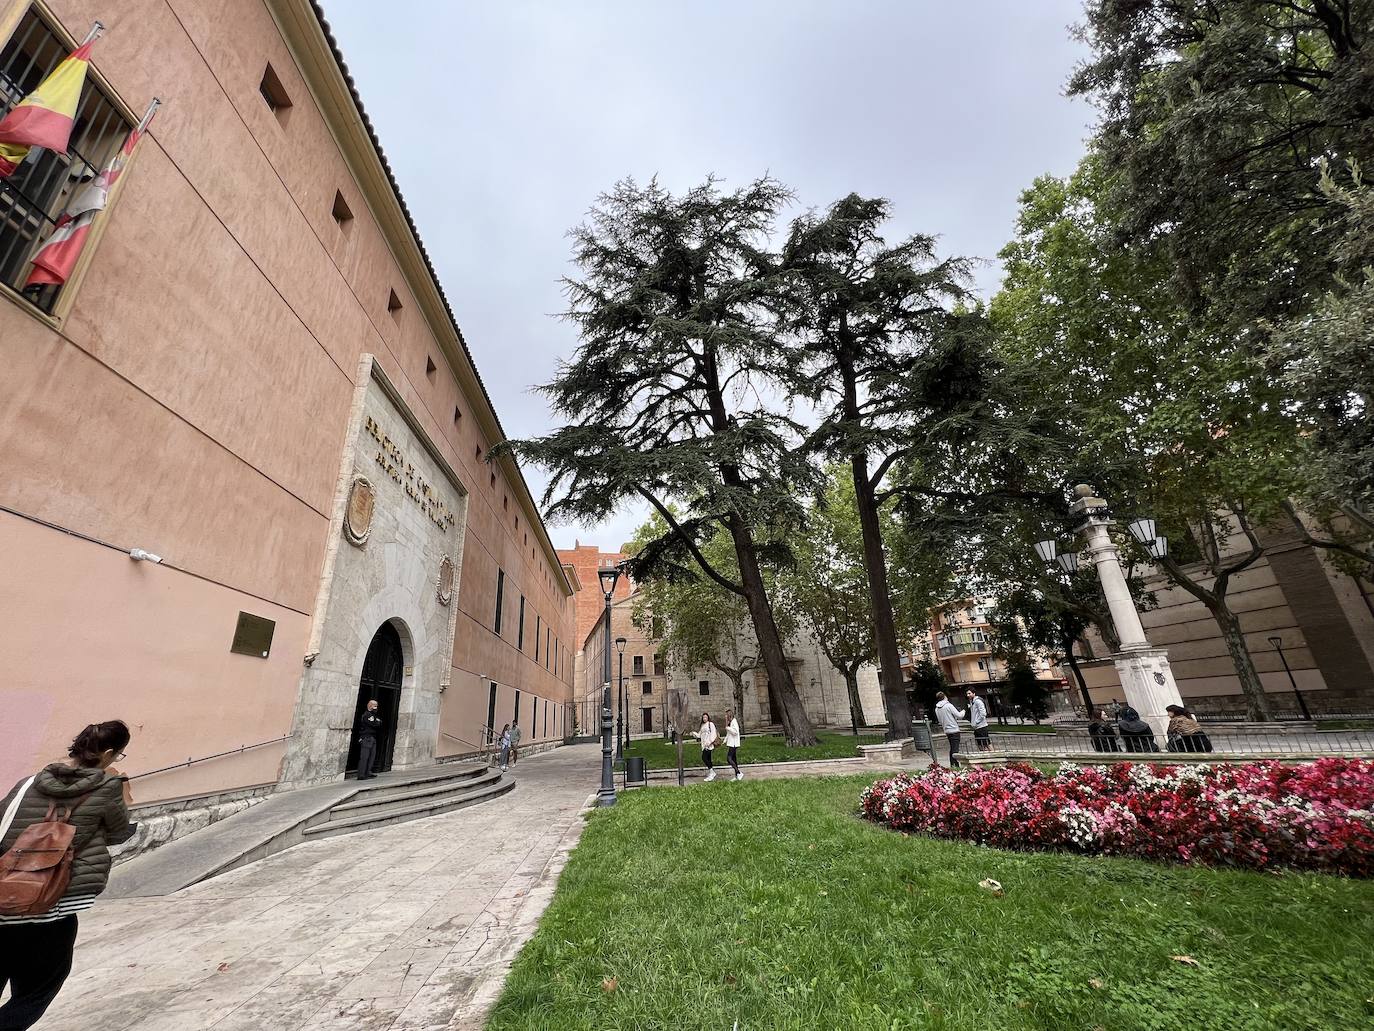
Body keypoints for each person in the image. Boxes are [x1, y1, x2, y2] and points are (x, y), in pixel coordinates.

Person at [0, 721, 135, 1030]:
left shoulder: (27, 783)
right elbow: (117, 833)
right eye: (119, 756)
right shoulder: (107, 786)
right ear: (110, 753)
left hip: (3, 899)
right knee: (37, 990)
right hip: (51, 908)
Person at [933, 692, 967, 769]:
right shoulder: (948, 706)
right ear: (945, 697)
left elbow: (940, 720)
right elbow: (959, 715)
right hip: (954, 729)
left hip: (947, 730)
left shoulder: (937, 709)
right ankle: (955, 765)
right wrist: (964, 711)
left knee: (952, 747)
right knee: (955, 749)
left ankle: (953, 764)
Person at [356, 699, 383, 780]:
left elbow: (379, 723)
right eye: (375, 706)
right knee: (365, 756)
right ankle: (361, 774)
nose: (376, 708)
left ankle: (368, 772)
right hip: (366, 737)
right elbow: (374, 724)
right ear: (370, 706)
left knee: (372, 756)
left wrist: (377, 721)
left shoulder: (373, 715)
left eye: (377, 706)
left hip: (372, 737)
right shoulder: (367, 714)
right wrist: (376, 722)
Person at [692, 712, 720, 782]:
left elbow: (713, 734)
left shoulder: (711, 724)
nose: (704, 718)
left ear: (708, 718)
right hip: (704, 745)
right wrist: (694, 733)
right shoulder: (702, 725)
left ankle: (712, 772)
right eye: (703, 717)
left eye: (706, 717)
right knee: (708, 759)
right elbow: (699, 735)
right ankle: (711, 773)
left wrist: (710, 742)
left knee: (704, 758)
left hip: (708, 745)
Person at [723, 709, 742, 781]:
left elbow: (735, 732)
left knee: (729, 758)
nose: (725, 717)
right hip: (731, 743)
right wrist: (725, 740)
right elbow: (728, 733)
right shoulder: (730, 722)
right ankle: (737, 776)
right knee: (734, 759)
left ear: (729, 715)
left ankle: (739, 772)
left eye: (726, 715)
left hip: (734, 743)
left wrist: (728, 728)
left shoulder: (734, 721)